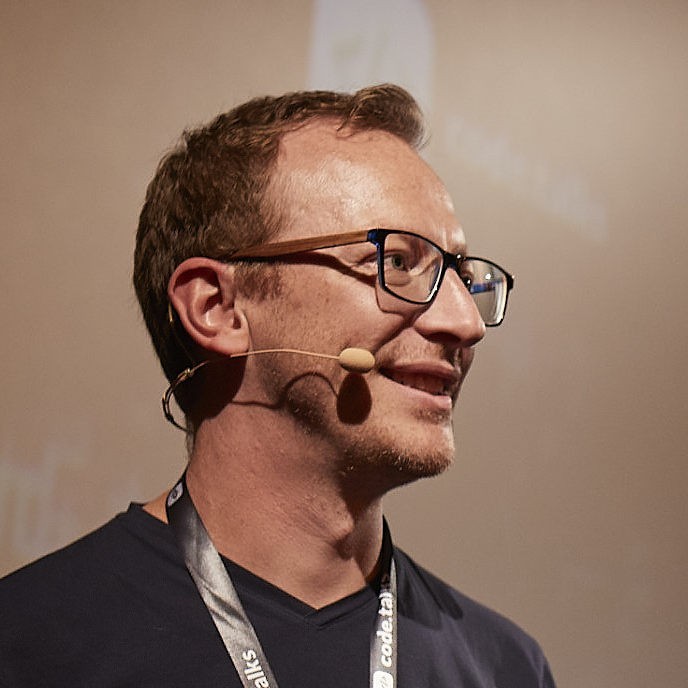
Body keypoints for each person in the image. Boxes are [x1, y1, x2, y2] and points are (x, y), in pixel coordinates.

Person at [0, 84, 555, 687]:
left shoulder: (505, 668)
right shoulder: (30, 644)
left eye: (462, 276)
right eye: (397, 262)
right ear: (216, 307)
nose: (466, 323)